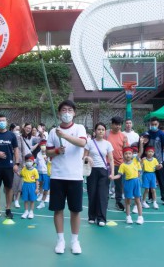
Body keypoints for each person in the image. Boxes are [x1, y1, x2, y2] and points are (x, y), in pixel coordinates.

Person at [46, 100, 87, 255]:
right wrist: (57, 151)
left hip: (75, 176)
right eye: (64, 110)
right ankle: (60, 240)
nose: (67, 113)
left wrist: (64, 135)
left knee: (75, 210)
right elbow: (48, 152)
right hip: (57, 176)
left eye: (70, 110)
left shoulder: (79, 128)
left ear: (74, 113)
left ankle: (75, 241)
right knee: (58, 209)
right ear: (59, 113)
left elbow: (82, 143)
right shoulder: (52, 132)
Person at [83, 122, 114, 226]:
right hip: (92, 171)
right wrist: (88, 158)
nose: (101, 131)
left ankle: (101, 218)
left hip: (103, 171)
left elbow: (111, 159)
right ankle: (91, 216)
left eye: (103, 129)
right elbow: (84, 157)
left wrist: (112, 173)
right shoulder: (90, 143)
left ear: (105, 132)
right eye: (99, 129)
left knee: (103, 195)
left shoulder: (107, 144)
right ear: (95, 131)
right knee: (92, 194)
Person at [112, 146, 144, 225]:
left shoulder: (135, 161)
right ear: (123, 155)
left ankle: (140, 217)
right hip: (128, 183)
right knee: (128, 201)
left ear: (132, 154)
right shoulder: (122, 165)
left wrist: (141, 143)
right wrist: (112, 177)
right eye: (126, 154)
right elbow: (119, 175)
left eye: (129, 153)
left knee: (138, 200)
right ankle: (128, 217)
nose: (128, 155)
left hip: (136, 182)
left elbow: (140, 152)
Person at [105, 116, 128, 211]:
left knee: (119, 185)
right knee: (105, 183)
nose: (118, 126)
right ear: (112, 124)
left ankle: (118, 202)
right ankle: (104, 201)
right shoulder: (106, 134)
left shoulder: (124, 136)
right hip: (107, 163)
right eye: (116, 124)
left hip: (119, 163)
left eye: (119, 125)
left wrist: (126, 163)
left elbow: (126, 150)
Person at [146, 117, 164, 205]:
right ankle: (150, 198)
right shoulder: (147, 134)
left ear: (158, 124)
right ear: (150, 124)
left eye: (155, 124)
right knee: (149, 180)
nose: (154, 126)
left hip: (159, 161)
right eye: (152, 124)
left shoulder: (162, 134)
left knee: (162, 180)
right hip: (148, 162)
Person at [36, 140, 50, 209]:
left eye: (44, 145)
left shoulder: (49, 153)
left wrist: (47, 160)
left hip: (47, 172)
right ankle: (41, 195)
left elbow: (51, 162)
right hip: (40, 171)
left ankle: (46, 197)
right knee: (41, 184)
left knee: (46, 187)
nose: (43, 147)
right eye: (41, 145)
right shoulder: (38, 154)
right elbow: (36, 162)